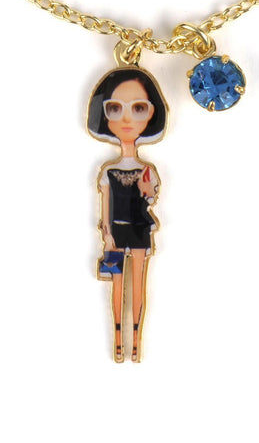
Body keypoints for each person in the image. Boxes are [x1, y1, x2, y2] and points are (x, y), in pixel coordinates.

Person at [88, 66, 168, 362]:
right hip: (117, 232)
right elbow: (105, 207)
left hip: (140, 229)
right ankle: (119, 341)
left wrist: (148, 191)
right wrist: (108, 236)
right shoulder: (108, 172)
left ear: (151, 114)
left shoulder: (148, 171)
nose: (126, 119)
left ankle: (135, 341)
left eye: (138, 108)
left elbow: (150, 198)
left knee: (138, 287)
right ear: (104, 115)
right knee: (118, 288)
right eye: (114, 108)